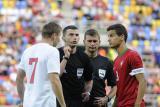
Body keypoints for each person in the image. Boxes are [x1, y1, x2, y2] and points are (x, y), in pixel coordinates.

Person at [16, 21, 66, 107]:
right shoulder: (52, 51)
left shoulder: (28, 51)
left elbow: (19, 79)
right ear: (54, 36)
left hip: (28, 103)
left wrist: (23, 101)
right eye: (59, 37)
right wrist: (63, 104)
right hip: (44, 103)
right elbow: (54, 80)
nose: (59, 40)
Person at [107, 24, 147, 107]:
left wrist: (137, 104)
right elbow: (119, 90)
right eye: (108, 36)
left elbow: (142, 81)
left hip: (132, 104)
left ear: (122, 37)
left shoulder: (132, 55)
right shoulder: (115, 61)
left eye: (111, 36)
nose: (108, 39)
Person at [58, 25, 93, 107]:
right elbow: (56, 75)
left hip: (78, 102)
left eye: (77, 35)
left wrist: (87, 92)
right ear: (63, 38)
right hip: (59, 101)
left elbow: (89, 80)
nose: (75, 37)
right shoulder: (56, 53)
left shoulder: (84, 57)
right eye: (71, 35)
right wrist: (66, 57)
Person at [83, 29, 117, 107]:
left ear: (99, 42)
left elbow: (114, 86)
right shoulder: (77, 59)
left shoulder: (106, 62)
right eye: (89, 41)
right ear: (84, 42)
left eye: (95, 41)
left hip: (99, 105)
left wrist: (107, 98)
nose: (92, 44)